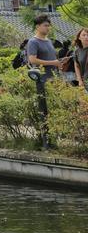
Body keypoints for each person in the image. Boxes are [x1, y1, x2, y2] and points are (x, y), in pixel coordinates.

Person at [27, 15, 65, 149]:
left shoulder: (49, 41)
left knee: (55, 110)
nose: (48, 28)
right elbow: (32, 60)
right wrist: (52, 62)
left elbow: (52, 59)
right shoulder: (33, 42)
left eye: (49, 25)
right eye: (45, 25)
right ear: (37, 26)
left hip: (54, 78)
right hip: (42, 80)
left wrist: (58, 63)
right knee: (44, 111)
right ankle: (46, 143)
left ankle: (52, 141)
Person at [73, 28, 88, 92]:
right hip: (84, 82)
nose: (86, 37)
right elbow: (76, 65)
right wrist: (79, 80)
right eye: (84, 35)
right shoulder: (77, 51)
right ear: (79, 37)